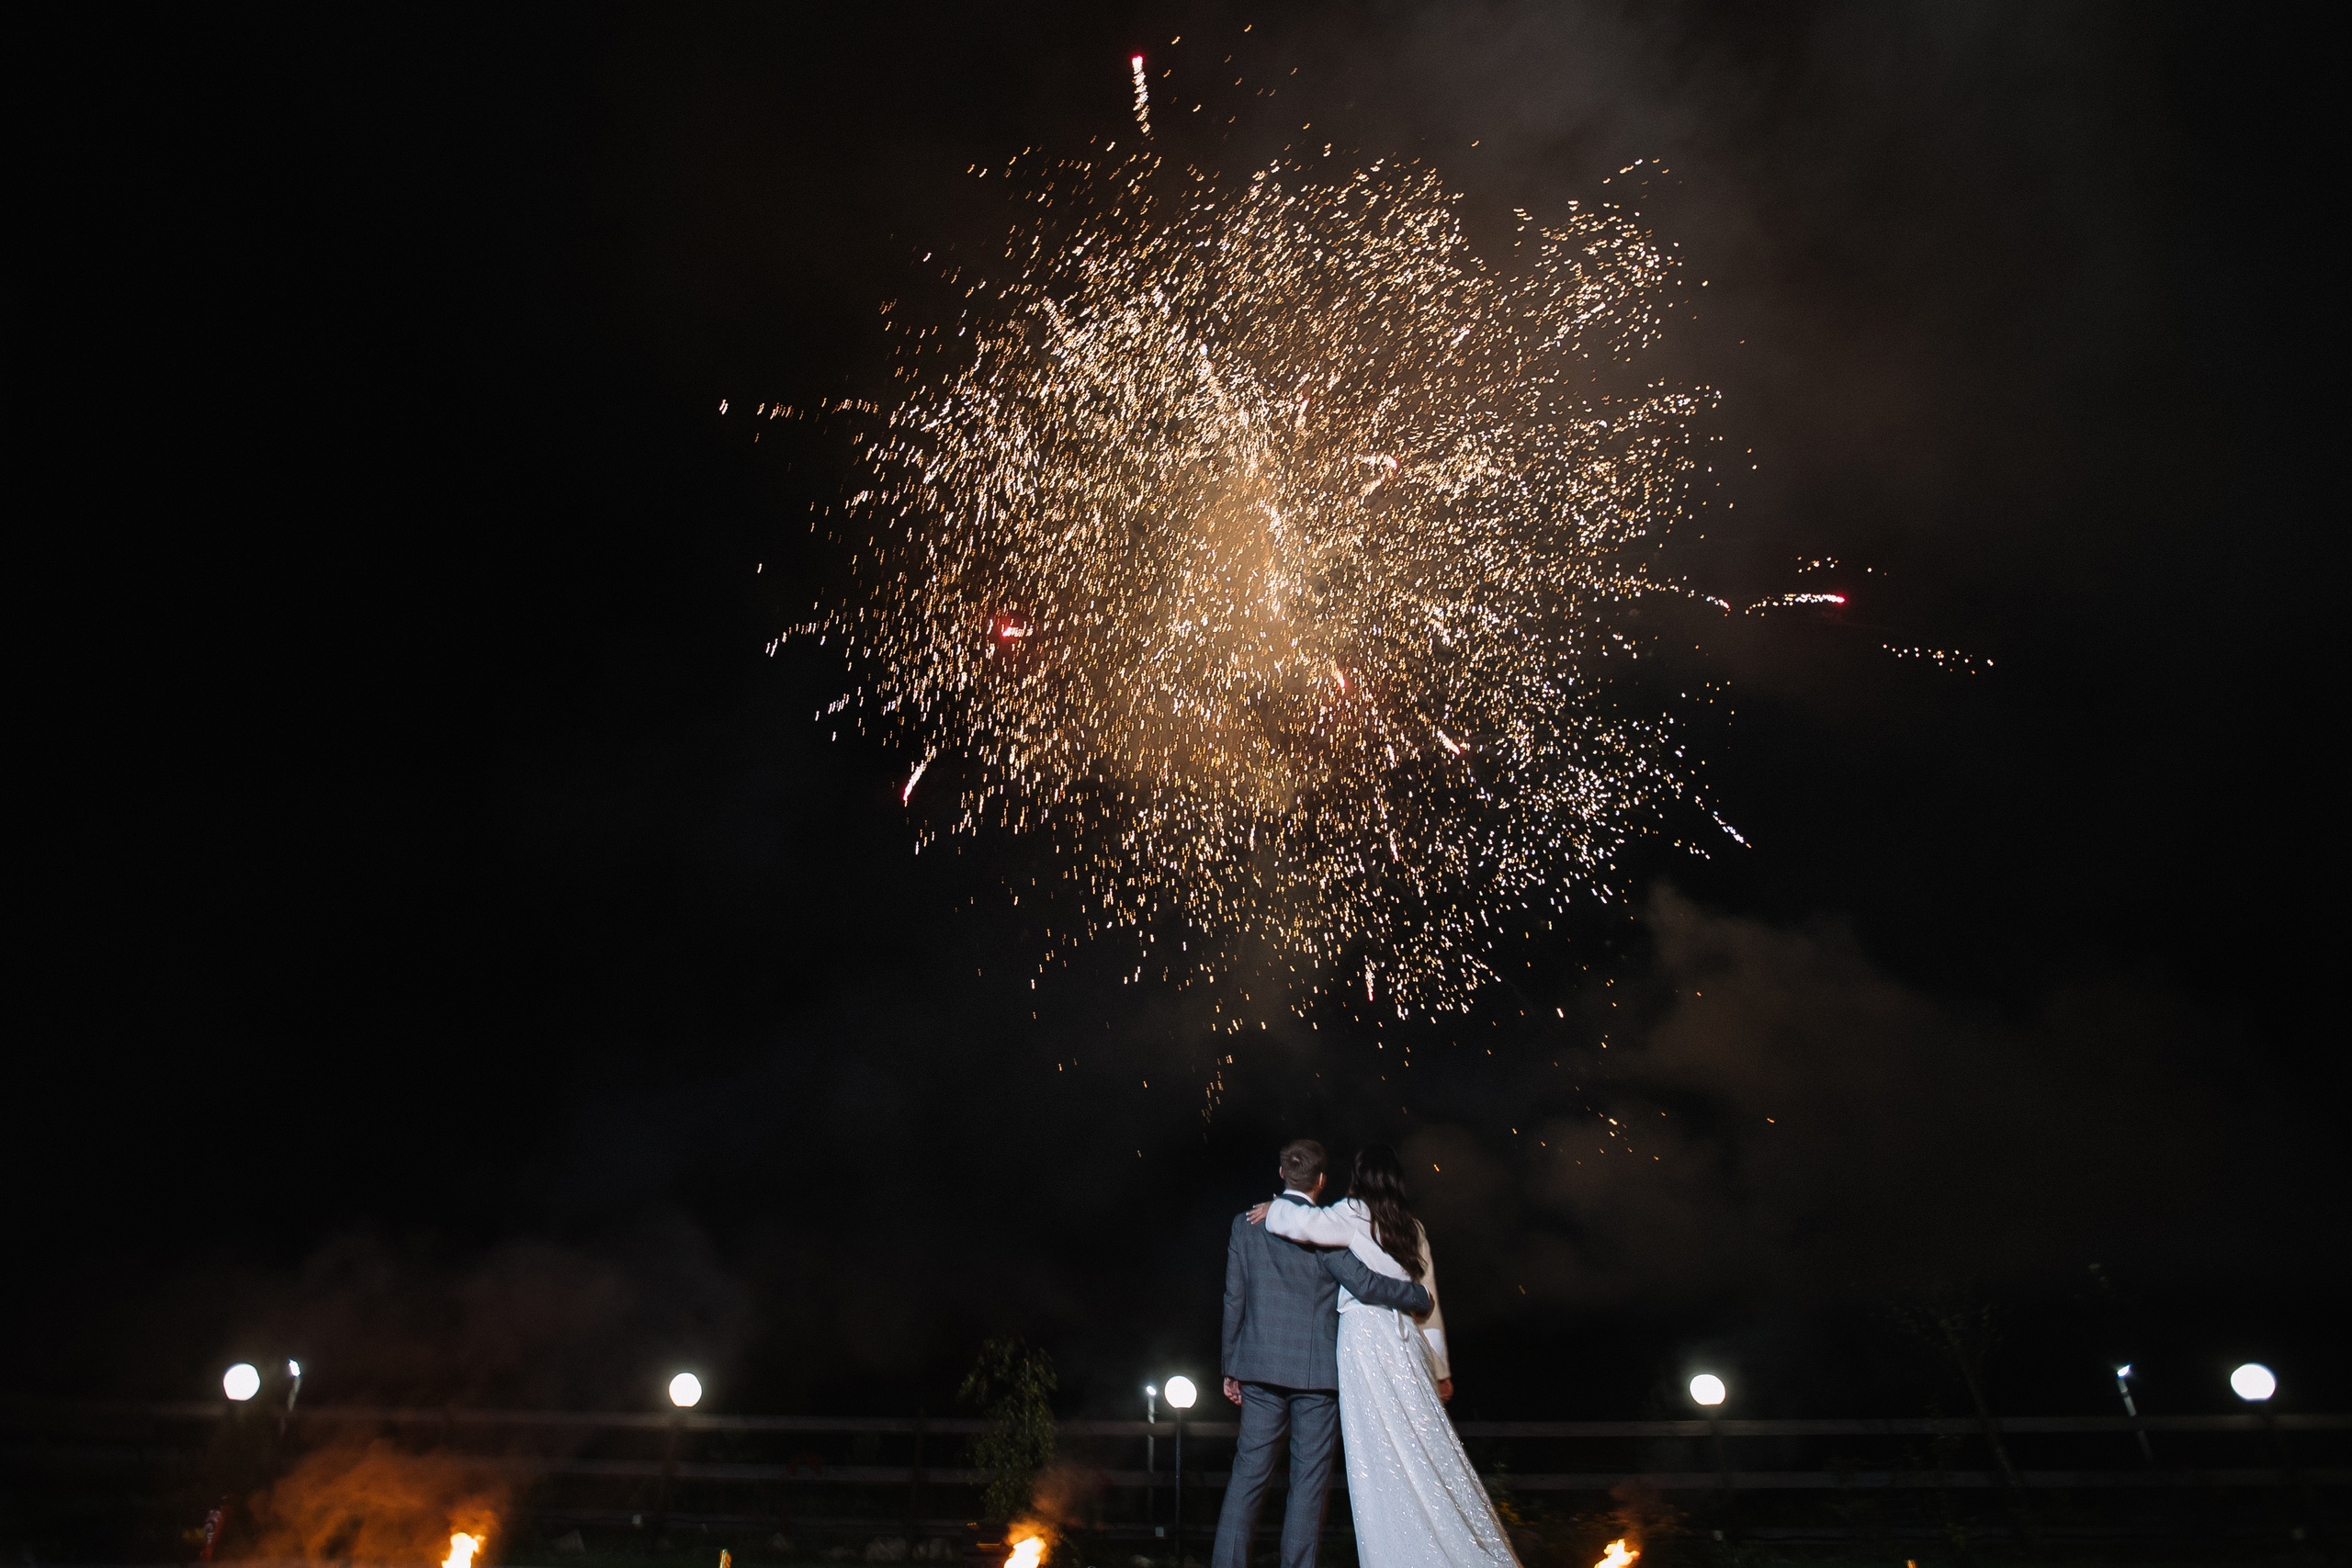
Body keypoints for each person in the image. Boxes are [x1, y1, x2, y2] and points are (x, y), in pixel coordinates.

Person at [1249, 1144, 1520, 1568]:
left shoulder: (1351, 1213)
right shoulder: (1412, 1227)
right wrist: (1440, 1369)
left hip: (1365, 1339)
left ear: (1358, 1178)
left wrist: (1274, 1208)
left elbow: (1300, 1222)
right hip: (1408, 1341)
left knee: (1377, 1451)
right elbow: (1429, 1301)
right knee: (1426, 1447)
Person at [1215, 1139, 1434, 1568]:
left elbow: (1233, 1298)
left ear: (1282, 1174)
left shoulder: (1246, 1225)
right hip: (1317, 1376)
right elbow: (1365, 1284)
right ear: (1320, 1180)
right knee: (1309, 1486)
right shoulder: (1326, 1229)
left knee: (1246, 1480)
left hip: (1258, 1367)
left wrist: (1230, 1367)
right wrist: (1419, 1296)